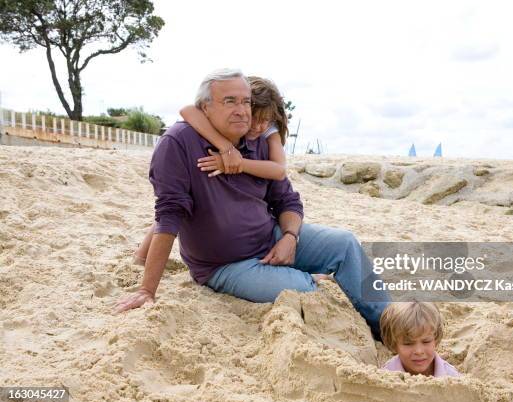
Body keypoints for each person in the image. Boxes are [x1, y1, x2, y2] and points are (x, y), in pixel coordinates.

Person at [114, 68, 389, 340]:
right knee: (303, 291)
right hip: (225, 264)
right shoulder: (178, 142)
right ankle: (309, 276)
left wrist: (290, 237)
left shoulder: (258, 139)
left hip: (270, 236)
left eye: (245, 102)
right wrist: (147, 290)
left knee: (345, 243)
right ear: (205, 108)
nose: (242, 111)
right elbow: (168, 215)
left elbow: (287, 200)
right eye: (229, 101)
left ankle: (389, 323)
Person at [133, 76, 289, 265]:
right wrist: (225, 147)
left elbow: (280, 171)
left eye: (265, 120)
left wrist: (236, 163)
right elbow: (187, 110)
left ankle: (141, 256)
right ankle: (141, 256)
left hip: (241, 181)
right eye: (254, 117)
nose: (256, 125)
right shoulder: (232, 120)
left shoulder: (268, 132)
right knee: (174, 205)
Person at [380, 302, 460, 377]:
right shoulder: (384, 376)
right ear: (393, 344)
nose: (419, 351)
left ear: (435, 339)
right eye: (408, 343)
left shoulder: (451, 376)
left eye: (426, 341)